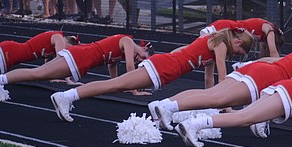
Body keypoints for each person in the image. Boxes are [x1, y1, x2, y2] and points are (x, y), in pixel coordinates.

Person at [49, 29, 253, 122]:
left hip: (166, 68)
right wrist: (228, 107)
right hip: (163, 68)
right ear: (237, 42)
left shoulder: (214, 42)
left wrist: (213, 105)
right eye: (240, 51)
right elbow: (223, 78)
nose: (237, 55)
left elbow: (209, 81)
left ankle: (68, 96)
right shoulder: (221, 45)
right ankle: (66, 96)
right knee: (114, 85)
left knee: (115, 84)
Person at [148, 46, 292, 131]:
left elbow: (271, 60)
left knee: (210, 93)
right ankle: (168, 107)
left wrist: (248, 65)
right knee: (218, 100)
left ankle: (164, 103)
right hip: (267, 75)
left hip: (258, 68)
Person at [0, 34, 150, 101]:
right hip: (81, 56)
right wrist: (134, 90)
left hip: (80, 55)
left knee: (38, 73)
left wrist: (117, 84)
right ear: (144, 48)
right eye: (143, 56)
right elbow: (129, 66)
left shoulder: (122, 49)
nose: (140, 59)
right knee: (38, 74)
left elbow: (113, 67)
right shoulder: (128, 41)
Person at [0, 31, 76, 75]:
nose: (67, 52)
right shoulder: (59, 38)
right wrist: (68, 79)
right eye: (69, 49)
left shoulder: (55, 39)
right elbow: (61, 60)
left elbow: (49, 63)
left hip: (11, 53)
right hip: (10, 52)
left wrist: (53, 76)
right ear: (69, 43)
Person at [199, 17, 283, 57]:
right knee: (199, 47)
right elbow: (273, 52)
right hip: (227, 27)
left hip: (229, 30)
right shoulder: (270, 30)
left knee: (206, 57)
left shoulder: (263, 34)